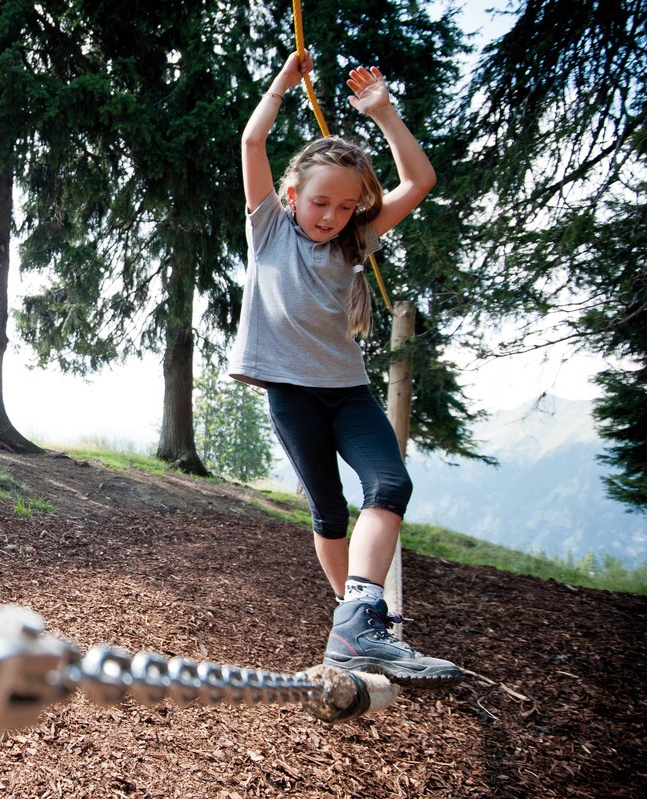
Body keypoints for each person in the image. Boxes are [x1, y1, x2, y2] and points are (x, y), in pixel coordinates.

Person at [228, 50, 461, 686]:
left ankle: (359, 619)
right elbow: (254, 138)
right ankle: (355, 624)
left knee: (390, 486)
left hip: (348, 393)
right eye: (320, 203)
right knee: (328, 513)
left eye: (344, 206)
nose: (331, 216)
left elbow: (418, 182)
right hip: (292, 395)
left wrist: (383, 113)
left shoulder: (357, 239)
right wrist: (282, 84)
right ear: (292, 195)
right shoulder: (269, 229)